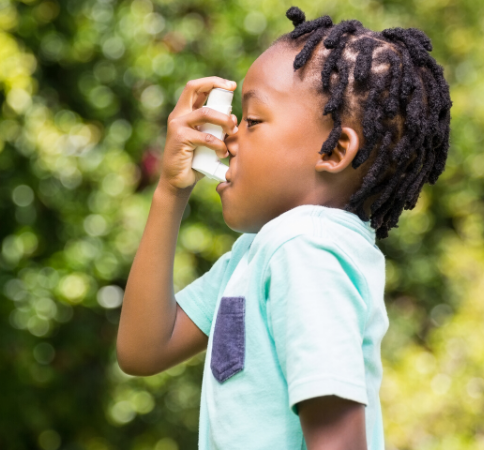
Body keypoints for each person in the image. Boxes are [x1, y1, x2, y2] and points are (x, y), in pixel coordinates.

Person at [116, 6, 452, 449]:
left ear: (334, 152)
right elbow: (144, 348)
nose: (231, 135)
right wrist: (170, 191)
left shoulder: (305, 250)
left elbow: (338, 441)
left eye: (253, 120)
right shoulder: (262, 252)